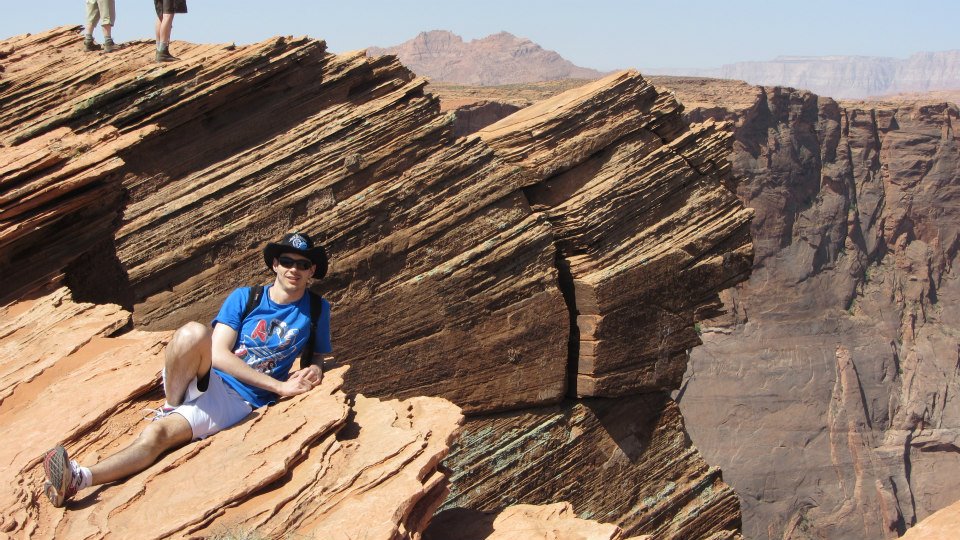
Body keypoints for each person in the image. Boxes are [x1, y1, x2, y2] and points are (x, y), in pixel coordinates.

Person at [41, 232, 332, 507]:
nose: (294, 269)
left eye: (302, 264)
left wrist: (316, 370)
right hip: (206, 373)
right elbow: (217, 354)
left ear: (311, 271)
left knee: (156, 436)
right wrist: (279, 387)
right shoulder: (247, 297)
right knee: (192, 332)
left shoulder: (318, 310)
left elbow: (316, 355)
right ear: (275, 265)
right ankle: (175, 402)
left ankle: (78, 478)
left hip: (237, 401)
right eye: (287, 262)